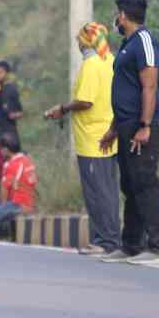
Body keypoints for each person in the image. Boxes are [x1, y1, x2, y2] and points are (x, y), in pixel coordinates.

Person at [99, 0, 159, 265]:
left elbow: (149, 85)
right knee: (129, 183)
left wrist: (145, 125)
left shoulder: (145, 41)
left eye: (117, 14)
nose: (115, 19)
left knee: (145, 182)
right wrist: (114, 128)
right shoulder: (127, 44)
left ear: (124, 16)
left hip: (145, 124)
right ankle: (130, 245)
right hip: (127, 124)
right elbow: (125, 89)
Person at [44, 22, 119, 256]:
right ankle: (111, 238)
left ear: (86, 41)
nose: (77, 43)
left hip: (93, 139)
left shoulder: (91, 64)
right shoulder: (111, 60)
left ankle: (104, 241)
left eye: (79, 39)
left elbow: (86, 101)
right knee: (109, 190)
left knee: (97, 191)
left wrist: (62, 108)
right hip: (109, 133)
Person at [0, 131, 37, 236]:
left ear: (6, 150)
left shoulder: (10, 164)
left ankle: (3, 234)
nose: (0, 152)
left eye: (1, 149)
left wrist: (1, 208)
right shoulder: (27, 159)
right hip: (28, 199)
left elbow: (4, 190)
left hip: (18, 203)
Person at [0, 60, 23, 181]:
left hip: (8, 137)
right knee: (1, 171)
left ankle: (12, 197)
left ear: (7, 73)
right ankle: (5, 197)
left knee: (11, 169)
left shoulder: (11, 89)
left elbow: (20, 112)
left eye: (0, 72)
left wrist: (11, 114)